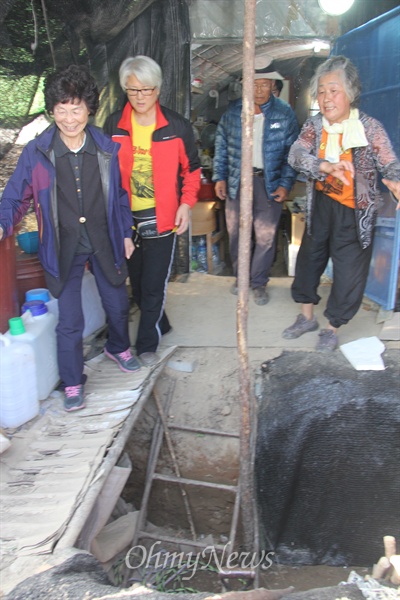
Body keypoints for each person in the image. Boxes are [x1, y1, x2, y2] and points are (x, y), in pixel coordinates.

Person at [0, 65, 140, 412]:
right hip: (62, 245)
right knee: (70, 320)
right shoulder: (38, 152)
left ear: (89, 108)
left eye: (75, 108)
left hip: (104, 237)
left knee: (118, 304)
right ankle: (73, 381)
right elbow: (16, 196)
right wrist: (2, 224)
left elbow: (120, 196)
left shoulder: (106, 149)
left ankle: (117, 346)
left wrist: (125, 233)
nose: (68, 118)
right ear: (52, 110)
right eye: (61, 109)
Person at [282, 55, 400, 351]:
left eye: (333, 90)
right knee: (309, 262)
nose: (326, 98)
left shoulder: (369, 129)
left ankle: (332, 327)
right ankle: (306, 317)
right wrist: (324, 166)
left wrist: (396, 180)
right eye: (321, 91)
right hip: (321, 206)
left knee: (348, 273)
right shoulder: (315, 127)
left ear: (350, 93)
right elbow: (296, 155)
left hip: (354, 213)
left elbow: (389, 162)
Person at [104, 56, 201, 366]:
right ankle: (162, 322)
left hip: (162, 217)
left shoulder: (175, 126)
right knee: (139, 282)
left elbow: (193, 169)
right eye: (133, 90)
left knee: (155, 283)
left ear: (158, 89)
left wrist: (186, 203)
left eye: (146, 90)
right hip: (125, 219)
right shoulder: (114, 125)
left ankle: (146, 345)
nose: (140, 97)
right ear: (125, 90)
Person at [213, 66, 299, 305]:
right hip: (237, 181)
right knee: (237, 233)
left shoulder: (284, 113)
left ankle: (259, 282)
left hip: (267, 183)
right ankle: (242, 278)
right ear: (245, 85)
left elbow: (293, 153)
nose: (259, 89)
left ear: (273, 85)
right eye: (253, 84)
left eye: (264, 84)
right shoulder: (233, 111)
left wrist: (285, 184)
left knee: (265, 237)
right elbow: (221, 145)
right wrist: (219, 176)